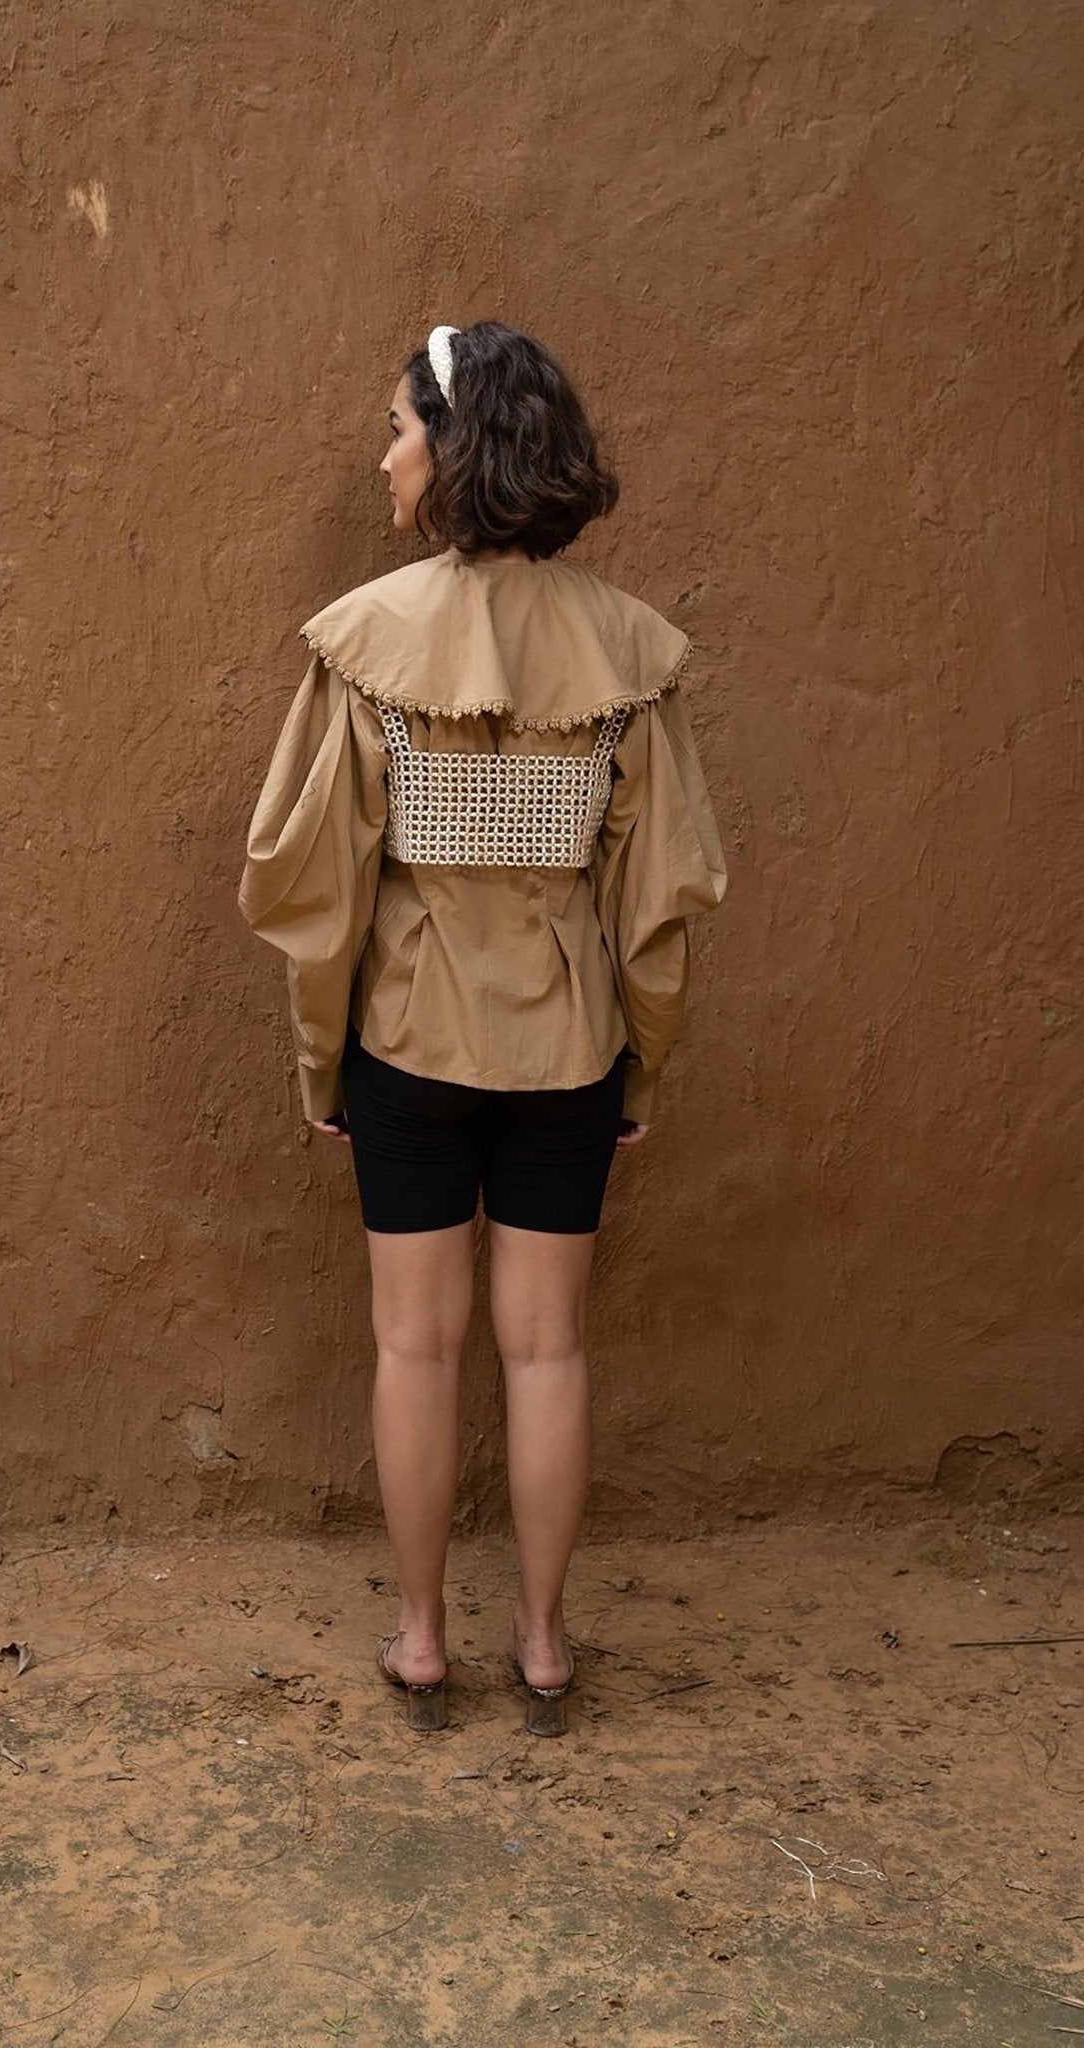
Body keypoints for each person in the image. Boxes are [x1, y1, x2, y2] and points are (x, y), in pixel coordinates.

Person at [238, 320, 727, 1737]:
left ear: (453, 446)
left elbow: (314, 889)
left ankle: (418, 1637)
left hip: (404, 1042)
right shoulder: (627, 650)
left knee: (414, 1347)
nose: (384, 458)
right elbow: (656, 899)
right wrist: (643, 1063)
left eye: (398, 428)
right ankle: (545, 1642)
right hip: (570, 1049)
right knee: (547, 1349)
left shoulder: (366, 643)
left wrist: (320, 1061)